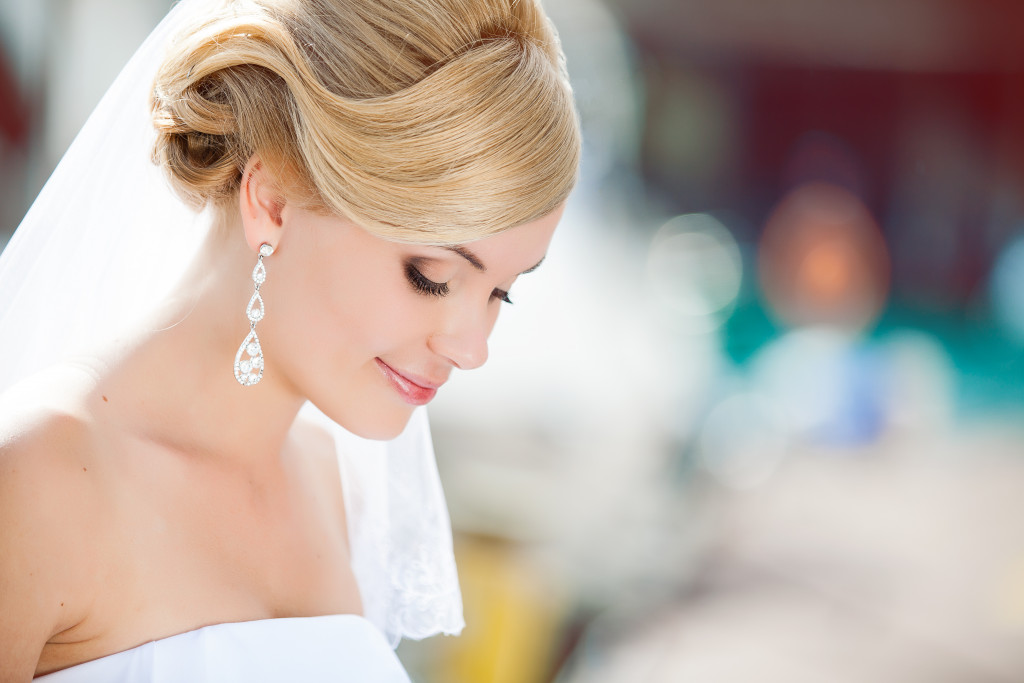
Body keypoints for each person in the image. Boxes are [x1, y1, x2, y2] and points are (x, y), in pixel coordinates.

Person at [0, 0, 580, 679]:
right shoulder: (36, 482)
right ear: (270, 198)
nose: (472, 347)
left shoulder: (336, 483)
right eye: (432, 276)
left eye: (501, 293)